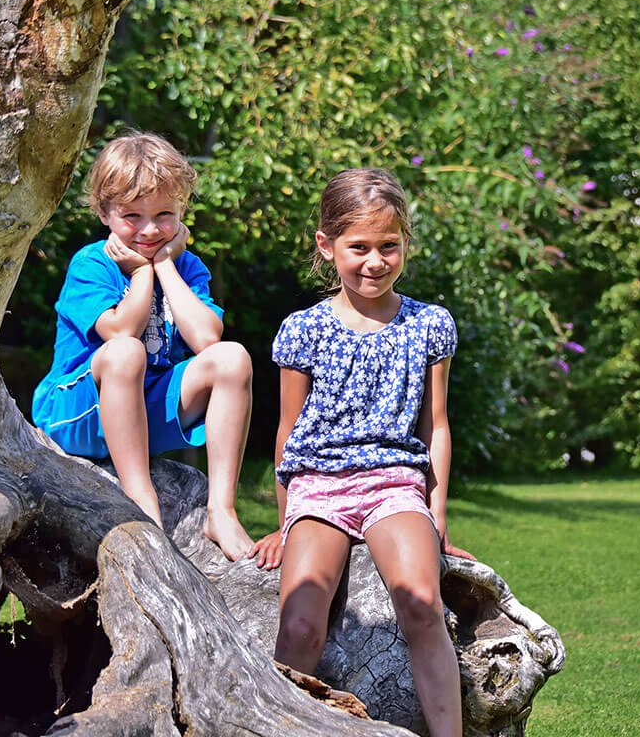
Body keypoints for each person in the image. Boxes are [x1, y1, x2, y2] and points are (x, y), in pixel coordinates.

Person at [250, 168, 471, 737]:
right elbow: (288, 431)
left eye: (389, 246)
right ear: (326, 247)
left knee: (422, 603)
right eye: (359, 248)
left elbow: (436, 426)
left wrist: (435, 515)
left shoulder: (429, 325)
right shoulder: (303, 329)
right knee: (300, 625)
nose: (375, 261)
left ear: (404, 246)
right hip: (318, 487)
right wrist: (285, 521)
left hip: (396, 482)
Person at [32, 132, 254, 561]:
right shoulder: (92, 263)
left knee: (233, 358)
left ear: (183, 211)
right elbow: (122, 330)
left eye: (164, 214)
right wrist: (138, 273)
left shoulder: (187, 266)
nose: (150, 229)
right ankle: (139, 498)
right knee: (126, 351)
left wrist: (166, 264)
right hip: (76, 412)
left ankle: (221, 509)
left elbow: (207, 338)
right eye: (132, 215)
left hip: (141, 414)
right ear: (104, 212)